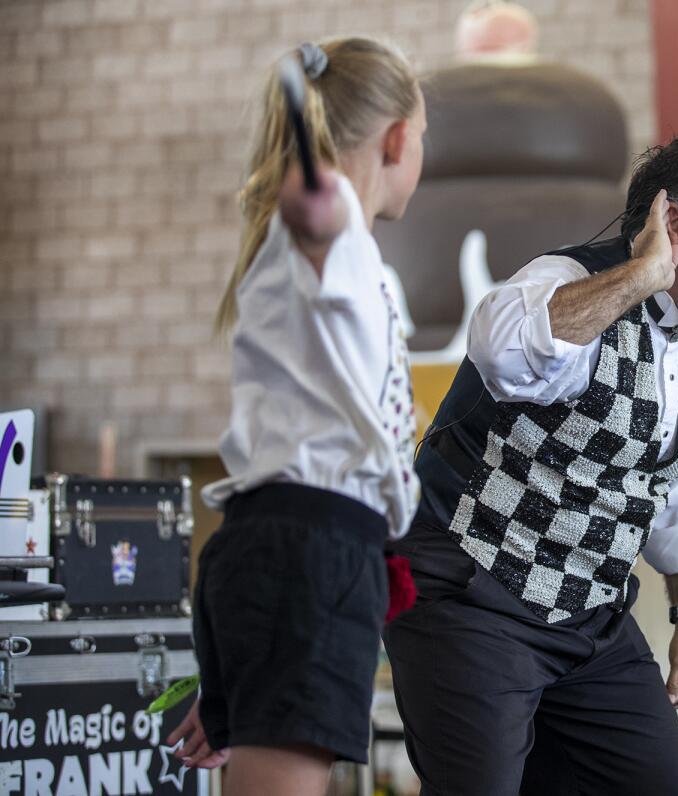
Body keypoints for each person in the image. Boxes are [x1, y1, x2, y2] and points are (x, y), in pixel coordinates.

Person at [384, 120, 678, 794]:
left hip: (590, 620)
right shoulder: (568, 282)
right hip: (472, 600)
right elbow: (503, 350)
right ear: (674, 227)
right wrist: (641, 277)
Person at [166, 36, 425, 795]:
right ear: (399, 140)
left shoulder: (362, 267)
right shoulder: (330, 224)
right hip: (304, 547)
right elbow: (315, 207)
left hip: (306, 548)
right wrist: (312, 179)